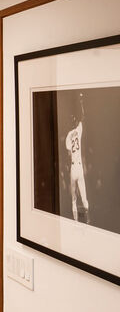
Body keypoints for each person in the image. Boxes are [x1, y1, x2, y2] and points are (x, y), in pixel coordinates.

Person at [66, 93, 89, 223]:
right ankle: (88, 219)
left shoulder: (69, 135)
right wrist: (81, 101)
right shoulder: (78, 130)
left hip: (74, 167)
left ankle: (75, 221)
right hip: (79, 166)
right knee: (84, 196)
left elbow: (69, 156)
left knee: (74, 198)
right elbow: (83, 117)